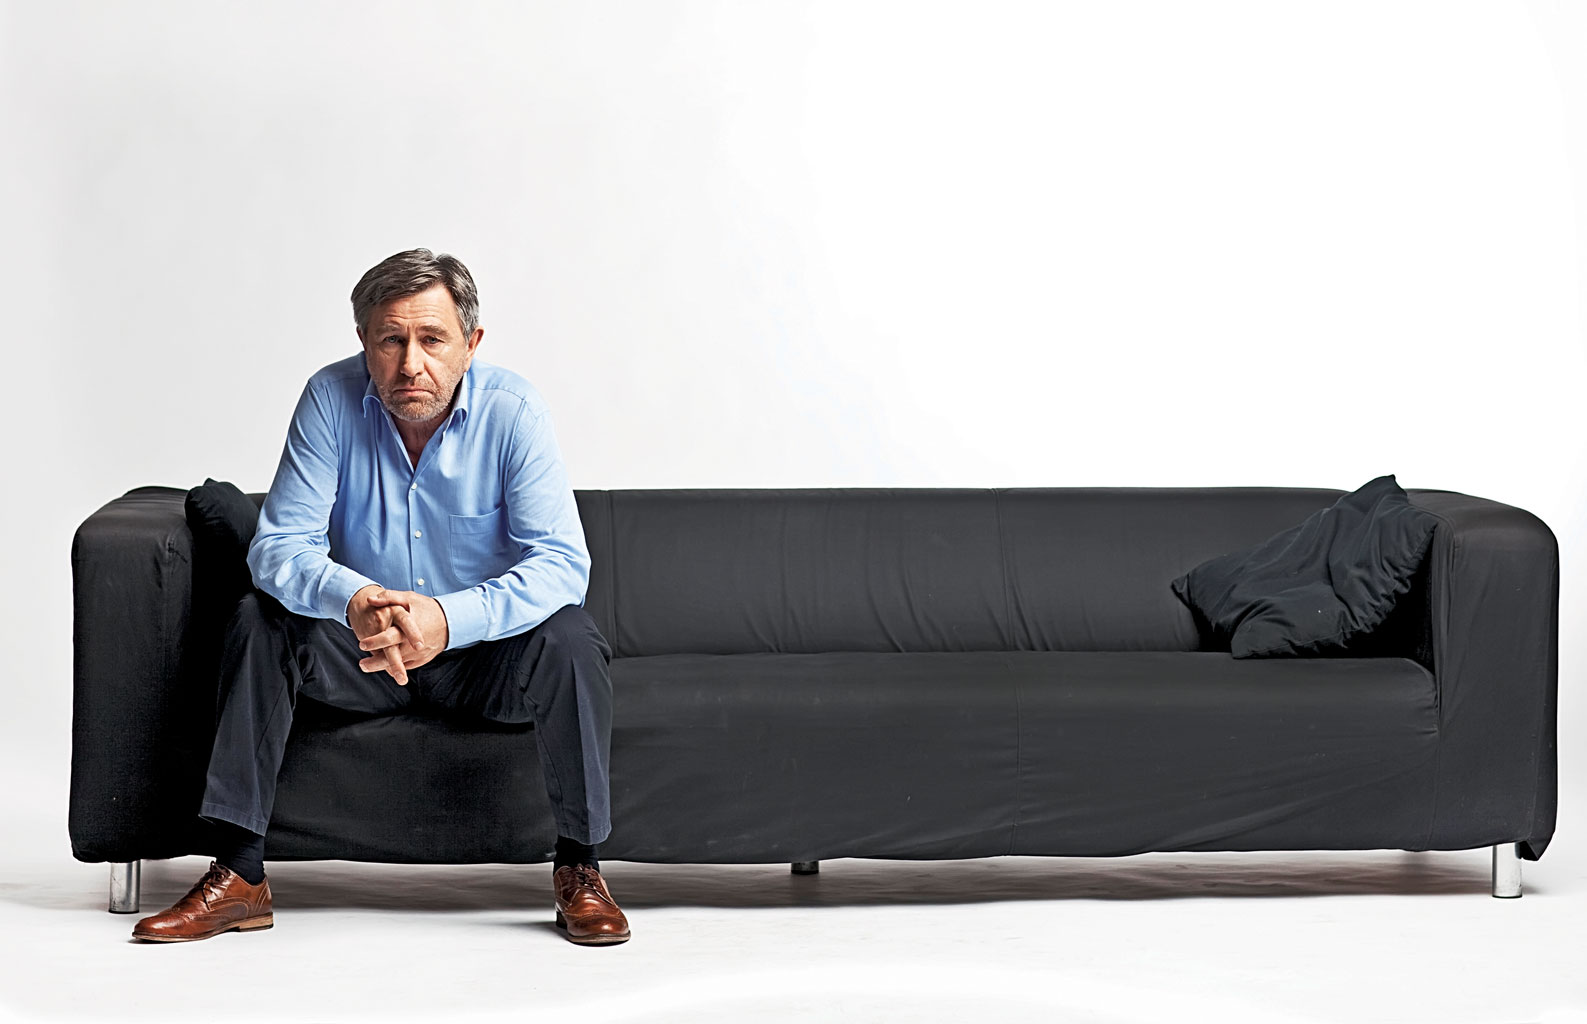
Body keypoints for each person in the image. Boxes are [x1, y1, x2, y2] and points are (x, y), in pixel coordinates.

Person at [132, 249, 628, 946]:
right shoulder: (329, 399)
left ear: (471, 344)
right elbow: (279, 547)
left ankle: (580, 867)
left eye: (432, 340)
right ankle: (240, 875)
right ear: (364, 340)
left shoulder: (514, 411)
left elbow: (561, 564)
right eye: (390, 340)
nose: (410, 364)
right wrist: (354, 596)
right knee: (259, 618)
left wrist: (447, 619)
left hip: (480, 660)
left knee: (570, 636)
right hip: (361, 654)